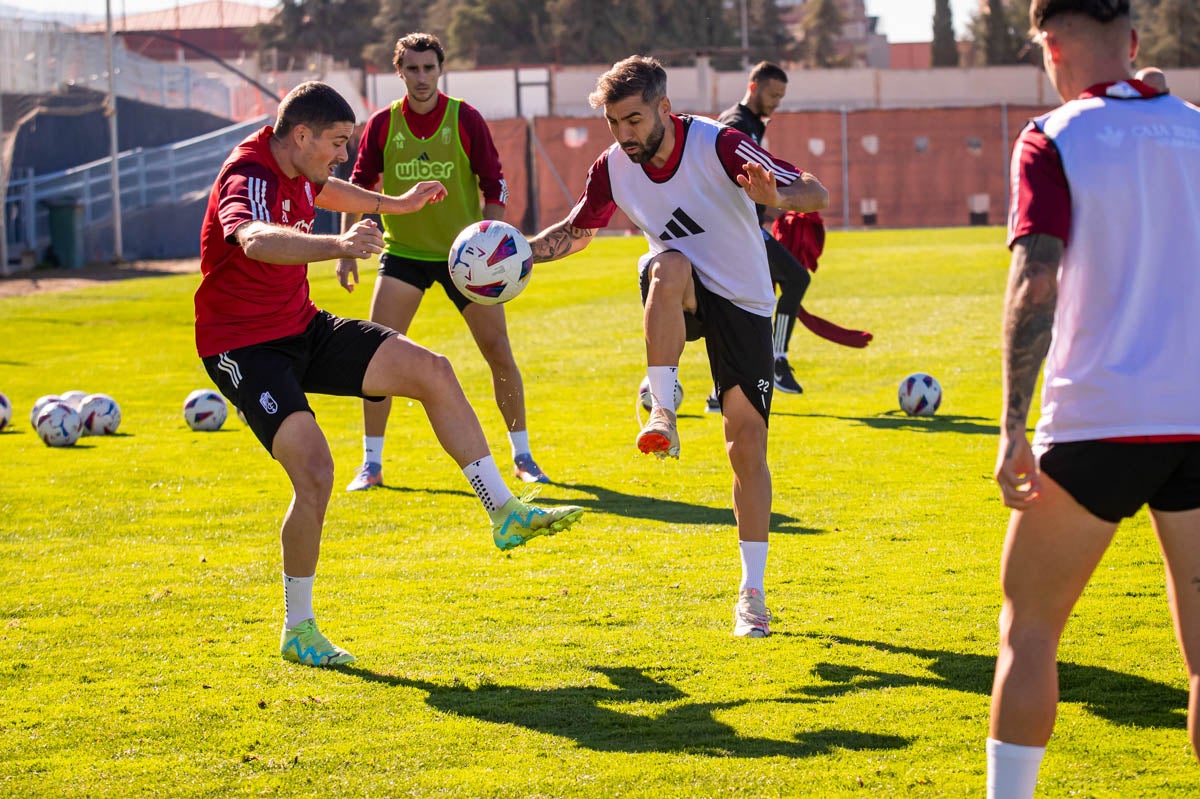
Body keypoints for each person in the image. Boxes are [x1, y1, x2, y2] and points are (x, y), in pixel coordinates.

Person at [196, 81, 583, 668]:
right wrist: (339, 245)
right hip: (245, 347)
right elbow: (253, 241)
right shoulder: (248, 173)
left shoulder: (298, 164)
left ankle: (503, 510)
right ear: (301, 135)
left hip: (300, 325)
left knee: (432, 369)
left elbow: (330, 188)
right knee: (317, 472)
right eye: (334, 142)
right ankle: (298, 628)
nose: (341, 154)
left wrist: (396, 205)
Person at [527, 56, 829, 638]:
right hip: (683, 292)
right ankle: (663, 408)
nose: (624, 134)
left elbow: (814, 190)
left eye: (634, 120)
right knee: (665, 264)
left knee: (747, 447)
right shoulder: (613, 167)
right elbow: (577, 231)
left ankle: (753, 594)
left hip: (743, 302)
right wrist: (515, 252)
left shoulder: (722, 144)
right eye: (614, 123)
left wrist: (778, 196)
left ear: (665, 108)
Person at [988, 1, 1200, 795]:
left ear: (1050, 43)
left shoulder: (1052, 136)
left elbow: (1033, 280)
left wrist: (1013, 426)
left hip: (1097, 420)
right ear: (1136, 41)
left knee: (1030, 630)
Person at [337, 32, 550, 490]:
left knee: (499, 355)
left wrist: (492, 245)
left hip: (467, 262)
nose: (420, 77)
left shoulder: (465, 118)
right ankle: (371, 464)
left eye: (428, 68)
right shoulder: (381, 123)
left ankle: (524, 456)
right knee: (375, 355)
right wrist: (346, 246)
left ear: (440, 69)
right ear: (399, 72)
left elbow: (496, 185)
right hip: (403, 256)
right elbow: (357, 184)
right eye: (411, 69)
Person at [713, 60, 812, 403]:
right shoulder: (735, 124)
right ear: (753, 87)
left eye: (782, 96)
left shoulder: (753, 123)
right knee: (786, 285)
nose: (777, 102)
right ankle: (776, 361)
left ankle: (726, 388)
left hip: (748, 230)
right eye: (772, 94)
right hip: (737, 235)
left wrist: (771, 210)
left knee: (745, 305)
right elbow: (723, 180)